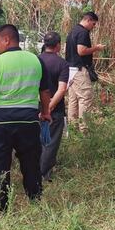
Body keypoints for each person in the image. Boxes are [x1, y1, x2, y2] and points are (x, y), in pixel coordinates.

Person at [0, 24, 51, 211]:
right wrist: (46, 112)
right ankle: (35, 201)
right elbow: (44, 91)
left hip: (1, 122)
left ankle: (3, 208)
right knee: (31, 163)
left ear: (7, 40)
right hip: (28, 120)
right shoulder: (36, 60)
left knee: (0, 166)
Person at [65, 11, 105, 131]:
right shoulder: (83, 32)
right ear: (88, 20)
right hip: (79, 70)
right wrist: (96, 48)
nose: (93, 27)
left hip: (71, 69)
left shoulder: (73, 30)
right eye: (93, 24)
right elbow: (81, 51)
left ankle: (73, 127)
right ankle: (84, 129)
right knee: (85, 98)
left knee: (73, 99)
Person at [38, 31, 69, 181]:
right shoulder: (62, 63)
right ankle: (43, 173)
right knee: (50, 142)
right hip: (54, 110)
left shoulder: (36, 60)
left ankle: (35, 170)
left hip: (35, 108)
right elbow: (62, 89)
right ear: (58, 46)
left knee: (38, 140)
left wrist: (42, 107)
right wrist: (48, 108)